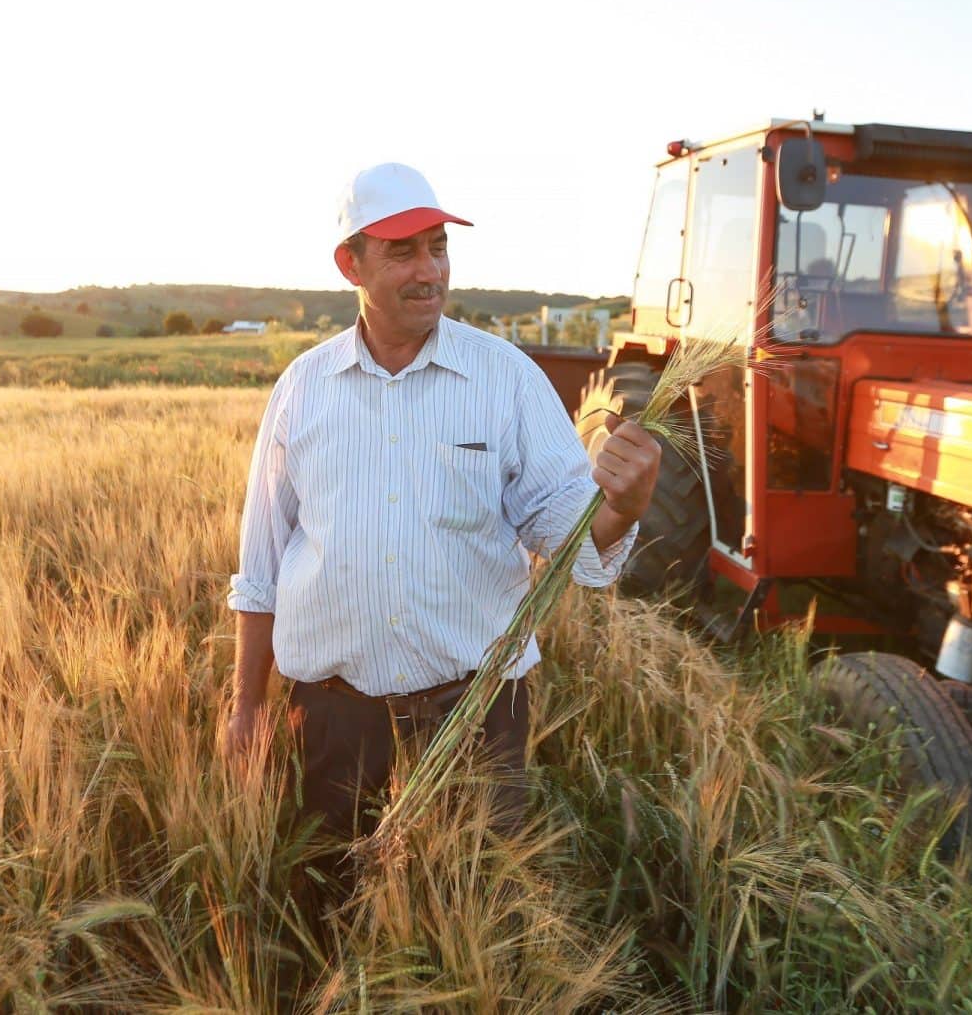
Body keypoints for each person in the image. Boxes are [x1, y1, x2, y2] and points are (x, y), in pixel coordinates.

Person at [218, 161, 662, 841]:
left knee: (475, 904)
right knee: (336, 900)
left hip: (479, 712)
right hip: (336, 722)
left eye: (439, 246)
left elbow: (567, 529)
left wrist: (623, 506)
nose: (430, 270)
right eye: (403, 251)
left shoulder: (507, 379)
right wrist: (247, 705)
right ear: (351, 264)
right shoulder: (302, 390)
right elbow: (262, 567)